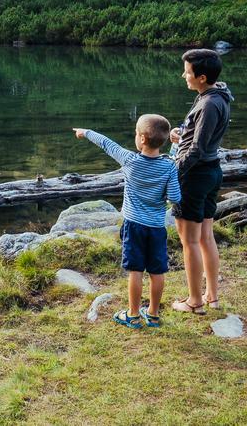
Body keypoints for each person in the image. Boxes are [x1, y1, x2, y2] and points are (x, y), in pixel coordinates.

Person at [73, 115, 181, 329]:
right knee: (157, 272)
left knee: (136, 271)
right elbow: (175, 197)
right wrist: (175, 150)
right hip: (157, 228)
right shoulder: (169, 166)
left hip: (134, 226)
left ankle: (132, 315)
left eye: (135, 133)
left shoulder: (129, 160)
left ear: (141, 139)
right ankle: (153, 314)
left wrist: (85, 132)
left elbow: (106, 144)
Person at [169, 48, 233, 315]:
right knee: (206, 236)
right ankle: (211, 297)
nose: (184, 75)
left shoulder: (208, 103)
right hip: (210, 172)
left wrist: (172, 174)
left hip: (195, 177)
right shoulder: (217, 96)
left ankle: (195, 301)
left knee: (190, 241)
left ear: (202, 77)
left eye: (187, 71)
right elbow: (199, 139)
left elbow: (196, 150)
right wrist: (181, 134)